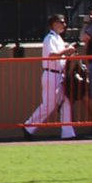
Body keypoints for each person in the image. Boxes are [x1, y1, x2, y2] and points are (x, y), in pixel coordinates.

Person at [25, 12, 79, 140]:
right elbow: (52, 55)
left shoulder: (58, 38)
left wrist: (69, 54)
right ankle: (28, 126)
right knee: (49, 105)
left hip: (59, 75)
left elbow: (61, 56)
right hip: (51, 74)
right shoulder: (49, 38)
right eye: (62, 22)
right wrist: (67, 50)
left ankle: (68, 133)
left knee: (65, 101)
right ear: (54, 24)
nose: (64, 25)